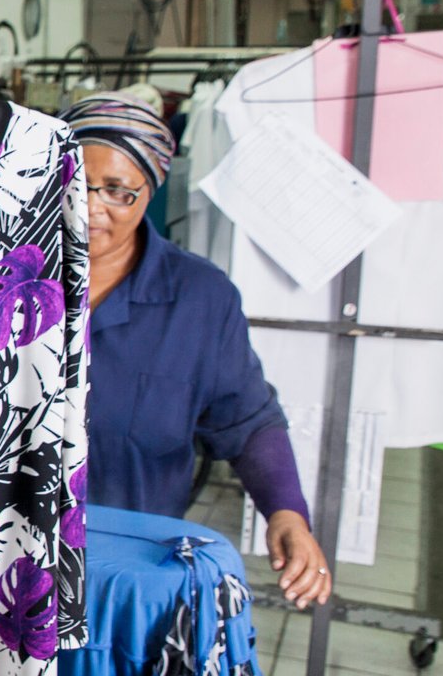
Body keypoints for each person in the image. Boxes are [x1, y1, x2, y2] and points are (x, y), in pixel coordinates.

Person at [61, 93, 332, 610]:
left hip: (130, 576)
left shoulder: (200, 300)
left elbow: (247, 420)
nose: (91, 205)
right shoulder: (0, 278)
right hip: (7, 560)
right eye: (76, 184)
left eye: (119, 191)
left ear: (150, 191)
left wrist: (287, 512)